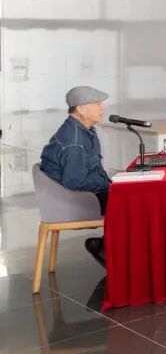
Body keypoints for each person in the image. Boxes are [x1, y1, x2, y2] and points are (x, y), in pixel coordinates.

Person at [40, 86, 112, 266]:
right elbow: (75, 182)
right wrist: (109, 185)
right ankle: (108, 250)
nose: (102, 108)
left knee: (129, 196)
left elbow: (94, 169)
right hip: (72, 199)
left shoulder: (85, 131)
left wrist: (111, 183)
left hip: (79, 193)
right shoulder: (75, 140)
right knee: (131, 202)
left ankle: (108, 247)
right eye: (97, 103)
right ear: (80, 109)